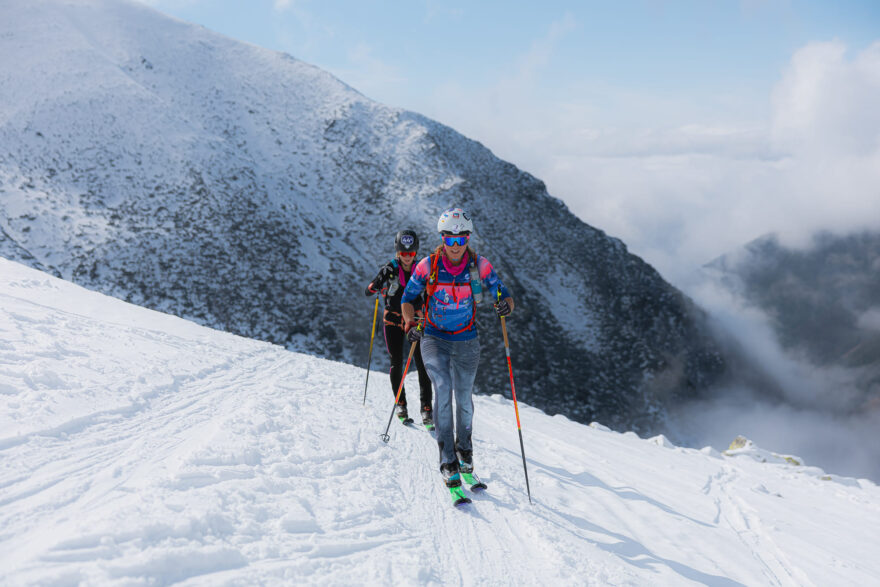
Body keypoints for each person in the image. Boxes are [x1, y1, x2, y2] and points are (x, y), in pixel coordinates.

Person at [400, 208, 514, 485]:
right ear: (442, 238)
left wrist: (504, 305)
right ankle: (447, 458)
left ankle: (465, 450)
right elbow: (407, 298)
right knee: (442, 387)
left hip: (466, 339)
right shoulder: (427, 265)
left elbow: (504, 295)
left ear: (468, 239)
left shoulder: (480, 266)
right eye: (449, 240)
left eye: (461, 240)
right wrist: (411, 322)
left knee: (464, 398)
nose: (455, 246)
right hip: (433, 337)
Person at [365, 230, 434, 427]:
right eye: (403, 253)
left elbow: (431, 290)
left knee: (422, 364)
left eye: (411, 253)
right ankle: (400, 404)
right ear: (397, 252)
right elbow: (369, 289)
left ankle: (426, 409)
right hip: (394, 320)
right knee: (397, 361)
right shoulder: (390, 268)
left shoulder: (422, 269)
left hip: (416, 320)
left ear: (415, 253)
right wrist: (376, 284)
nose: (406, 257)